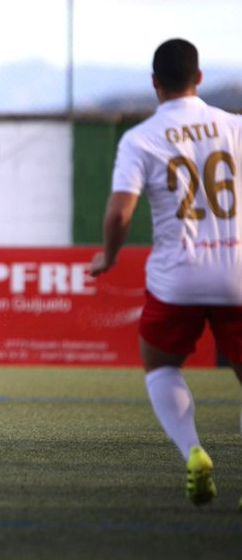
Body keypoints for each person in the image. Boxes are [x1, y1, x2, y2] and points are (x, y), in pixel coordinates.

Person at [90, 38, 242, 508]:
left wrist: (110, 256)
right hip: (237, 272)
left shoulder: (141, 137)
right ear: (198, 78)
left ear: (155, 83)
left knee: (161, 365)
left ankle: (194, 451)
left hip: (178, 275)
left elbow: (119, 214)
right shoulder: (235, 127)